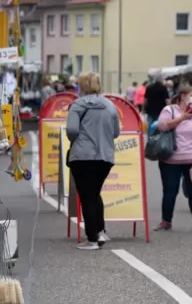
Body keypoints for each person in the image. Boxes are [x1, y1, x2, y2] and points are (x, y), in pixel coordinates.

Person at [66, 72, 120, 250]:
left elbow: (72, 131)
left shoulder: (77, 105)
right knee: (95, 194)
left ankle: (92, 239)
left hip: (83, 156)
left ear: (81, 85)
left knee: (87, 197)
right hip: (105, 156)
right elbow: (115, 133)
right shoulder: (110, 105)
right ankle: (100, 230)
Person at [155, 86, 192, 232]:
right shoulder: (170, 110)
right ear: (182, 96)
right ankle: (166, 221)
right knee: (170, 191)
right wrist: (182, 118)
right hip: (171, 160)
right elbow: (162, 126)